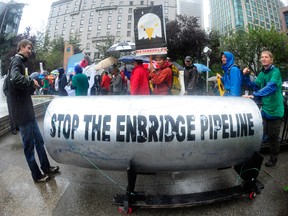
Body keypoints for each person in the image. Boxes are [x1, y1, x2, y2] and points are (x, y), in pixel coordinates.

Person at [5, 39, 59, 182]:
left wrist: (30, 86)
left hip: (28, 112)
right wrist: (30, 81)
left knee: (39, 141)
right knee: (29, 146)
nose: (30, 50)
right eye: (29, 48)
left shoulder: (21, 63)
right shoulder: (16, 62)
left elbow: (17, 87)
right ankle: (36, 175)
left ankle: (46, 167)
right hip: (22, 114)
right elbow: (15, 78)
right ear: (21, 47)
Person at [242, 50, 284, 167]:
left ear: (271, 60)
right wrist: (246, 76)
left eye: (266, 57)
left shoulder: (276, 72)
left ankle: (273, 159)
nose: (263, 59)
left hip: (276, 111)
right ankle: (255, 157)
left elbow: (271, 87)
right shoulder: (261, 74)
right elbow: (254, 86)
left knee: (273, 137)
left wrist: (255, 95)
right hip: (265, 110)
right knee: (261, 135)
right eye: (262, 57)